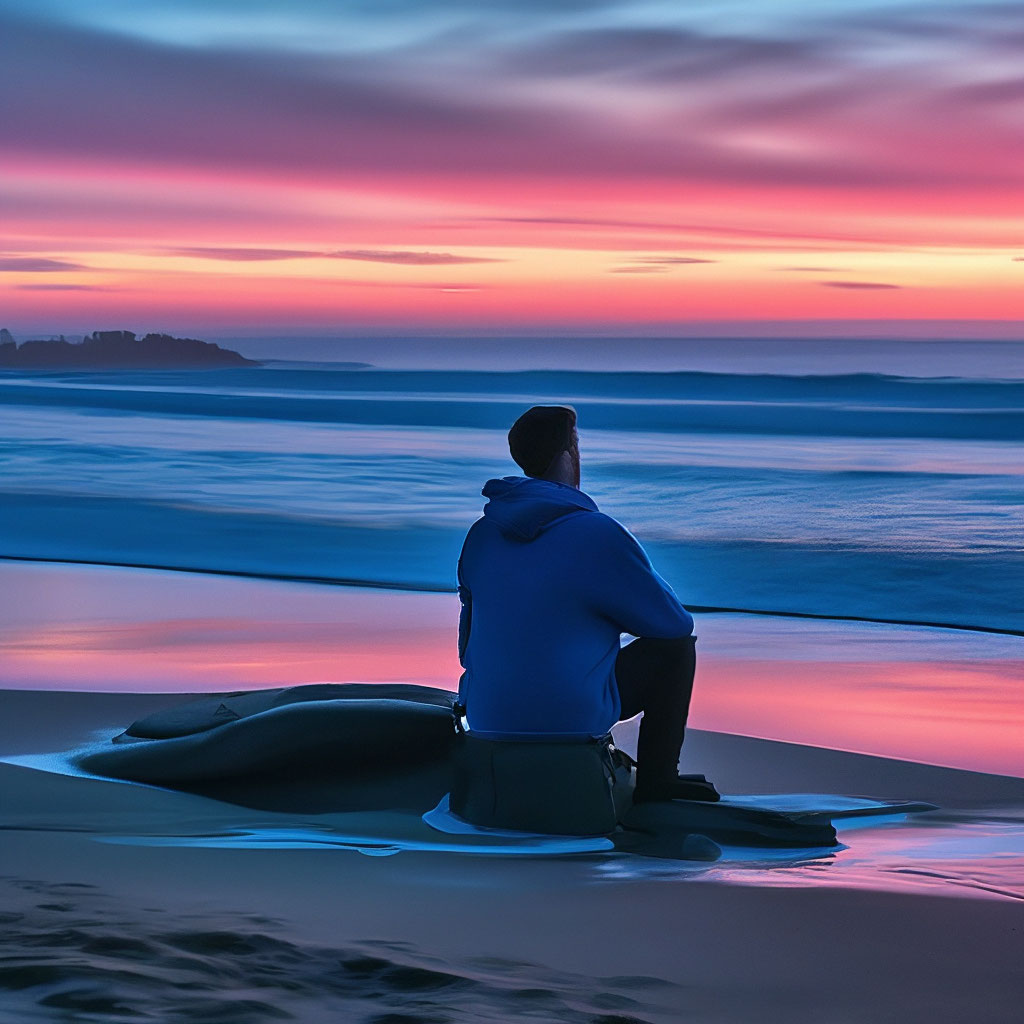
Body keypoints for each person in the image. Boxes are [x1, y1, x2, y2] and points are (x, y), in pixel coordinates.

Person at [456, 405, 718, 803]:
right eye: (576, 445)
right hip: (567, 722)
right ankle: (658, 783)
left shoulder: (480, 536)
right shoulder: (597, 534)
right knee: (675, 652)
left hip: (487, 720)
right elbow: (675, 625)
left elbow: (467, 646)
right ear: (567, 456)